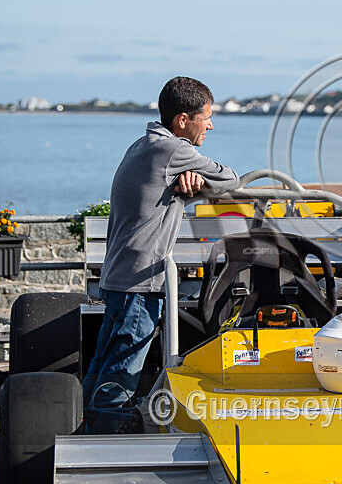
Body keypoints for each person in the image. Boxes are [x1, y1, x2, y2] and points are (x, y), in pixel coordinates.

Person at [82, 77, 240, 420]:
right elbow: (231, 179)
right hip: (141, 280)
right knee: (124, 370)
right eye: (206, 117)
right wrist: (200, 179)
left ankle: (84, 427)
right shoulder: (174, 150)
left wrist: (194, 182)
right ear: (183, 120)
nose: (210, 124)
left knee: (103, 364)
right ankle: (106, 442)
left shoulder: (143, 144)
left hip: (119, 275)